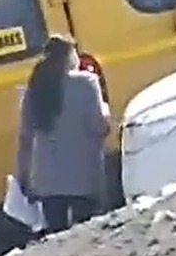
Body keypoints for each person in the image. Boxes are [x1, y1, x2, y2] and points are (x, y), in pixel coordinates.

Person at [16, 35, 109, 234]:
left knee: (57, 237)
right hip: (83, 176)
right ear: (69, 56)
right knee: (88, 234)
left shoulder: (34, 89)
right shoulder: (86, 83)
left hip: (47, 182)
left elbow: (25, 139)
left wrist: (23, 177)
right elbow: (99, 127)